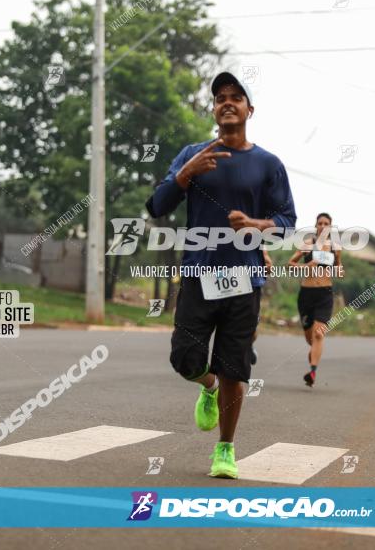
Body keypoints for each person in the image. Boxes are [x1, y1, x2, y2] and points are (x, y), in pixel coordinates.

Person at [145, 71, 297, 479]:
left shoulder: (268, 164)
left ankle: (225, 450)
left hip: (245, 280)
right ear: (213, 109)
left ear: (250, 109)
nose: (227, 102)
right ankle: (207, 387)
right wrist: (185, 174)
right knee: (185, 360)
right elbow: (157, 206)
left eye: (236, 97)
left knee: (235, 369)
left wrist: (254, 224)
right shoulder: (193, 154)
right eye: (219, 98)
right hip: (199, 276)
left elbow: (286, 222)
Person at [288, 212, 343, 387]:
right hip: (306, 295)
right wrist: (306, 266)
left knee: (319, 334)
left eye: (326, 223)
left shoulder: (335, 247)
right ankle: (313, 355)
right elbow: (290, 265)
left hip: (324, 295)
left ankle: (312, 372)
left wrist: (339, 270)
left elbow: (339, 270)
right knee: (310, 339)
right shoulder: (308, 244)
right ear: (316, 226)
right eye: (320, 223)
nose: (322, 226)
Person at [250, 247, 274, 365]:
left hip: (248, 288)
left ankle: (249, 344)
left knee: (250, 331)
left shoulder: (253, 234)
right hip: (214, 286)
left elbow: (269, 266)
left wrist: (266, 264)